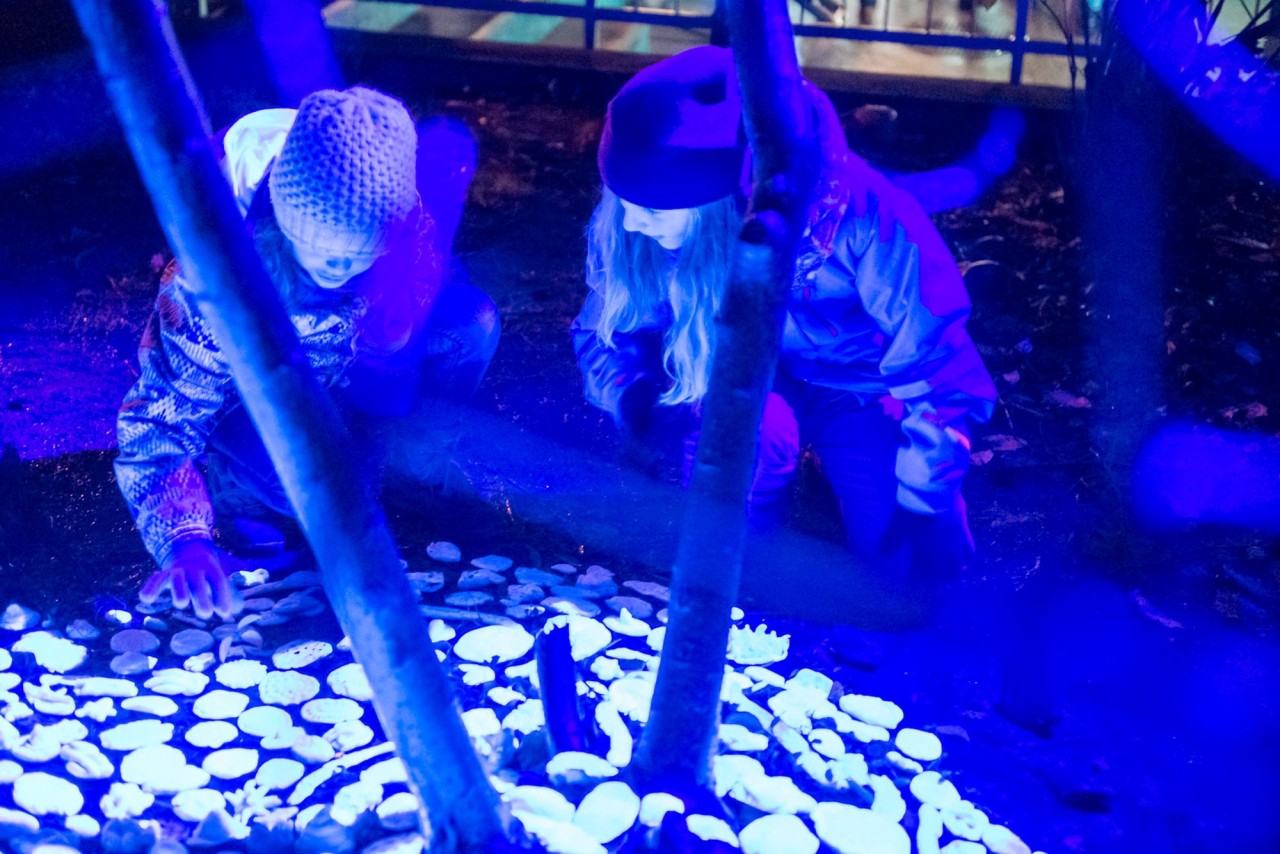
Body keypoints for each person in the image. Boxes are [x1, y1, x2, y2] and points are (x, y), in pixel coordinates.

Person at [571, 46, 997, 584]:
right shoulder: (641, 222)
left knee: (900, 566)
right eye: (624, 202)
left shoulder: (866, 220)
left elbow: (936, 361)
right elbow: (606, 328)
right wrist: (634, 398)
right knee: (737, 482)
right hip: (736, 375)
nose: (631, 224)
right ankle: (743, 573)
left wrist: (927, 497)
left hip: (860, 387)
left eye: (651, 209)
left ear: (718, 207)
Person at [116, 86, 499, 620]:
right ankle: (241, 490)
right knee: (299, 490)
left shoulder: (401, 223)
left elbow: (421, 310)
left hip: (345, 387)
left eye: (361, 253)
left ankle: (408, 478)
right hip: (257, 408)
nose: (341, 268)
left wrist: (388, 354)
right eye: (323, 250)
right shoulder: (213, 276)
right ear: (285, 216)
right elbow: (160, 421)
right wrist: (183, 539)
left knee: (468, 325)